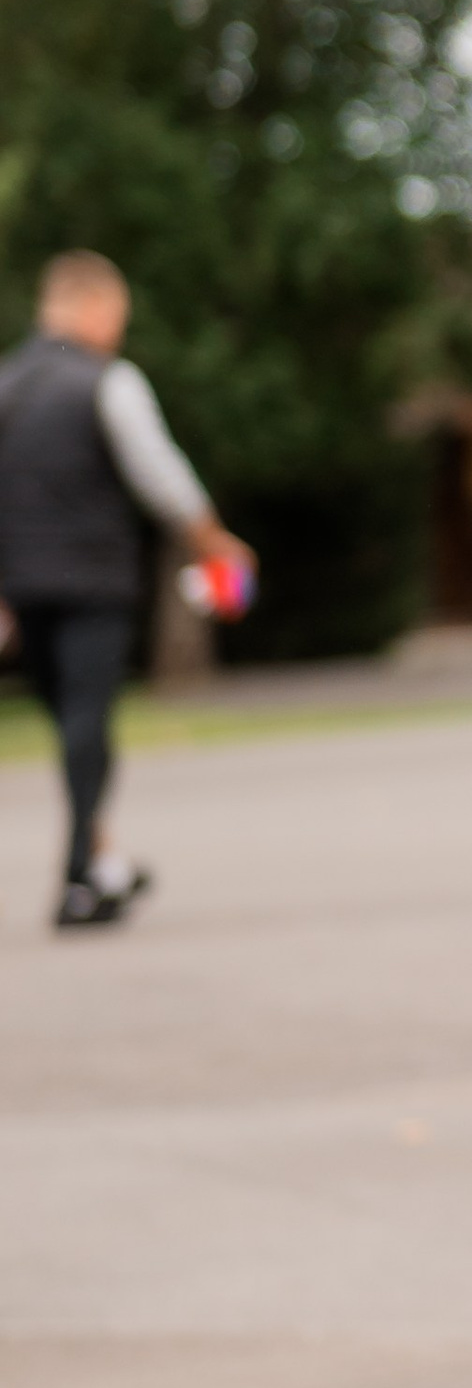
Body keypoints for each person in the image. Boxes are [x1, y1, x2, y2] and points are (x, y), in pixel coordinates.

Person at [0, 251, 250, 929]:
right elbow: (158, 470)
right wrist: (212, 540)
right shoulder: (107, 380)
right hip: (91, 579)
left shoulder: (6, 383)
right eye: (119, 316)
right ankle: (81, 873)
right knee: (88, 722)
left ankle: (100, 862)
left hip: (22, 585)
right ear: (95, 307)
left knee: (69, 723)